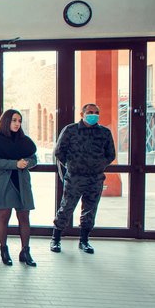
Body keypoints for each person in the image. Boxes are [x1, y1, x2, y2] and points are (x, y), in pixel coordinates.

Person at [51, 103, 116, 254]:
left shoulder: (104, 133)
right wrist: (71, 165)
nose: (93, 115)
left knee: (90, 210)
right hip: (75, 178)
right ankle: (56, 239)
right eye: (90, 112)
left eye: (96, 112)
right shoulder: (70, 130)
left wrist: (99, 165)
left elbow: (110, 154)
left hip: (95, 178)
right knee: (66, 208)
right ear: (82, 114)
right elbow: (59, 152)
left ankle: (84, 241)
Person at [0, 109, 38, 266]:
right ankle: (3, 250)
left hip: (22, 183)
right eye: (14, 120)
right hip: (5, 183)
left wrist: (26, 163)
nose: (17, 124)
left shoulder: (24, 140)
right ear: (6, 121)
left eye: (19, 121)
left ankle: (25, 251)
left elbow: (34, 158)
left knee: (24, 217)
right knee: (4, 217)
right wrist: (14, 164)